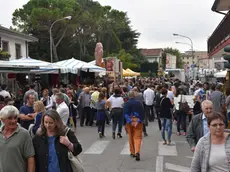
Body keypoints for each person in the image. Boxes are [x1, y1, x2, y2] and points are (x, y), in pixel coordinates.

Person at [0, 105, 35, 172]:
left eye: (15, 118)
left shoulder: (24, 134)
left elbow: (30, 158)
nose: (13, 121)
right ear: (2, 119)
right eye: (10, 118)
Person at [124, 91, 145, 161]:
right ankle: (137, 152)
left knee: (130, 137)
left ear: (128, 96)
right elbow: (142, 113)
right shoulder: (138, 103)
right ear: (134, 96)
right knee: (138, 137)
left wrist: (129, 121)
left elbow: (125, 114)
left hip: (129, 121)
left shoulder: (126, 103)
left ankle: (132, 152)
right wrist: (138, 121)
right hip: (137, 120)